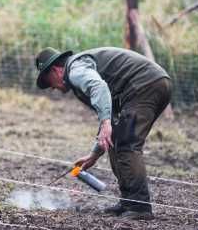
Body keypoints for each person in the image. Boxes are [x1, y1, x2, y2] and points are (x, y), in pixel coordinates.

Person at [35, 46, 171, 219]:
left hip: (145, 85)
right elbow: (110, 114)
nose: (52, 88)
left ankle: (139, 206)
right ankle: (129, 202)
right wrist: (94, 154)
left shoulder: (76, 70)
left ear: (55, 70)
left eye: (49, 82)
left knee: (127, 144)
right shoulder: (78, 71)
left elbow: (99, 87)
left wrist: (106, 122)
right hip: (149, 84)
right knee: (116, 141)